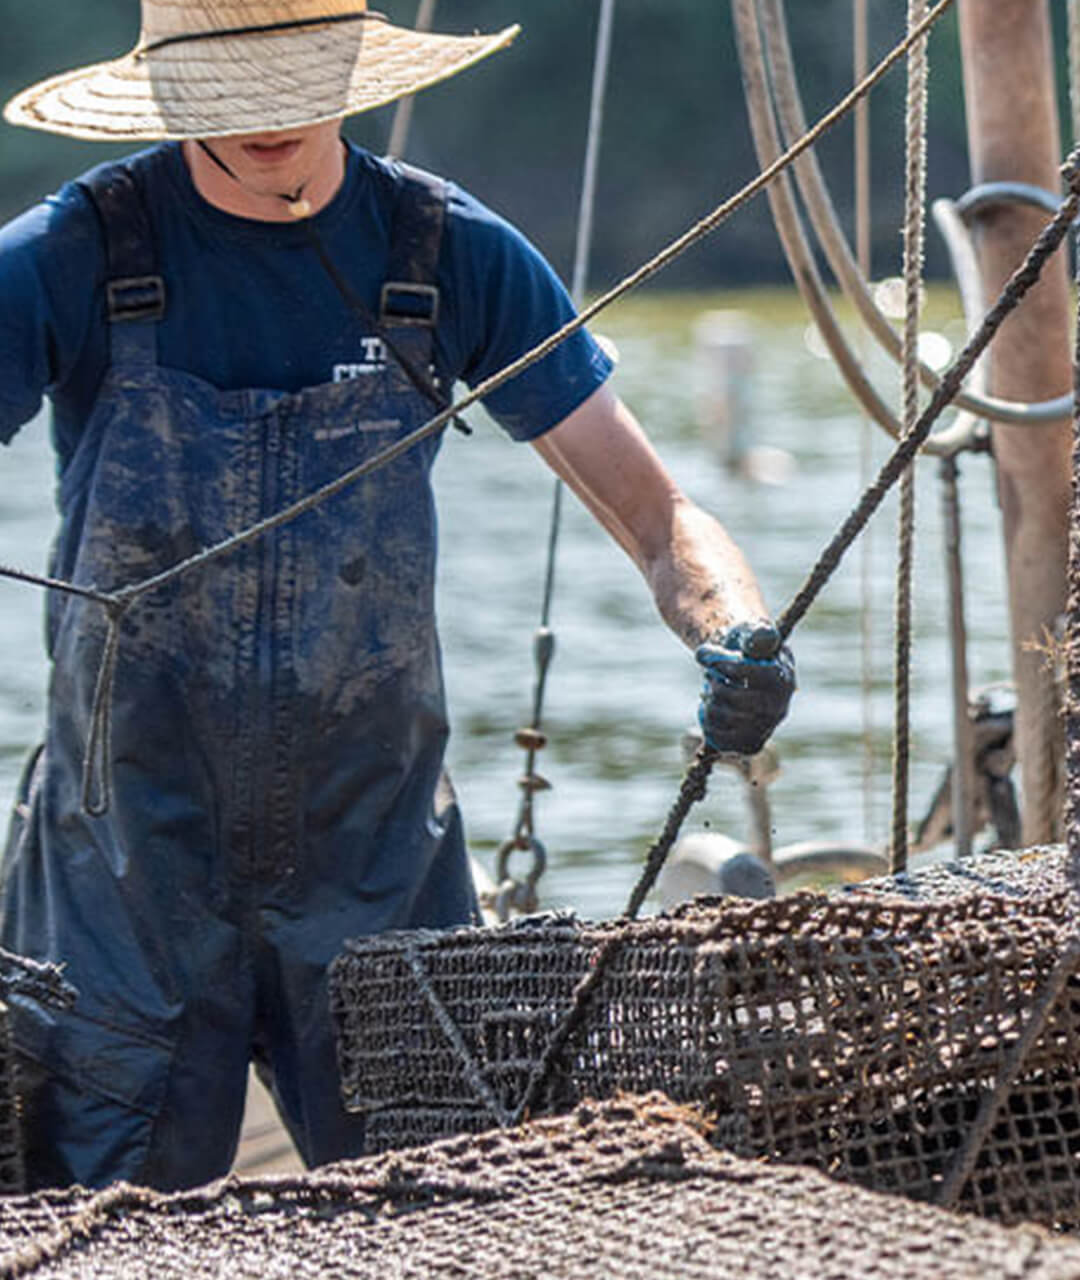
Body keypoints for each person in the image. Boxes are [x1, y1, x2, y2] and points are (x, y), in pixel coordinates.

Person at [0, 0, 795, 1191]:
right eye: (234, 87)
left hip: (377, 860)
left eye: (294, 77)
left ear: (351, 68)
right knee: (91, 1227)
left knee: (444, 1212)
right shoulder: (71, 253)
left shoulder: (448, 252)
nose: (269, 116)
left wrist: (734, 626)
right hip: (122, 871)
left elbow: (656, 515)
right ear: (170, 90)